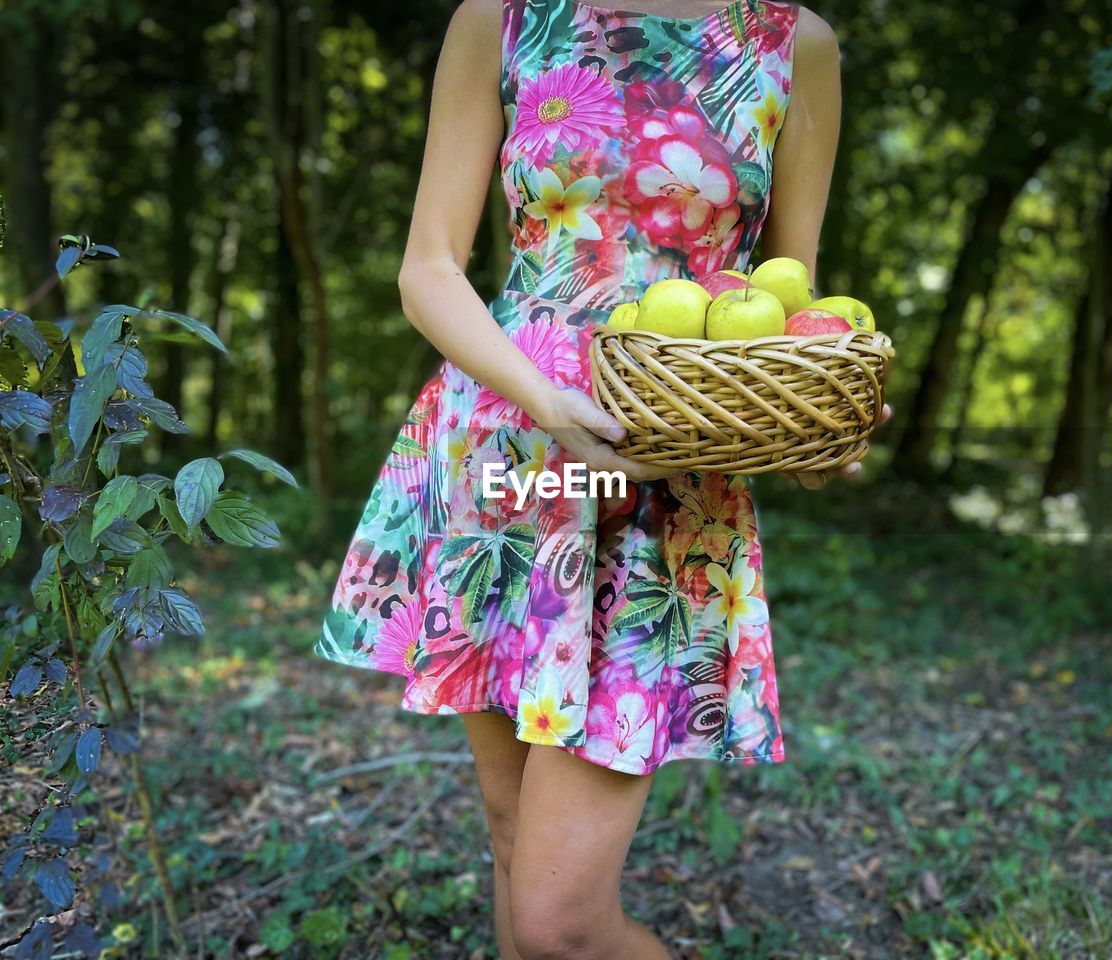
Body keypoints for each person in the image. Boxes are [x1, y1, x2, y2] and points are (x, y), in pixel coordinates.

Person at [315, 0, 890, 956]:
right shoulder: (502, 18)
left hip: (663, 486)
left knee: (559, 926)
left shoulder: (794, 44)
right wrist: (547, 403)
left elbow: (790, 294)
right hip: (505, 467)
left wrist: (807, 432)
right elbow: (428, 270)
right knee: (511, 843)